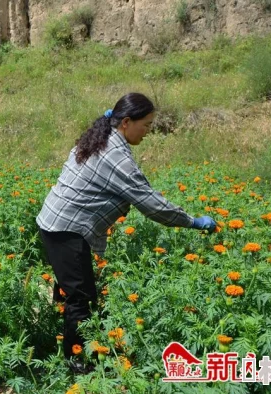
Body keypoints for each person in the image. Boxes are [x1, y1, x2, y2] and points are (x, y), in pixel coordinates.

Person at [36, 93, 216, 373]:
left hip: (56, 222)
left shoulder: (104, 134)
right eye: (146, 125)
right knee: (81, 300)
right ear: (126, 123)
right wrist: (192, 221)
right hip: (66, 230)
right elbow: (150, 202)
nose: (148, 132)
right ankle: (76, 365)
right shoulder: (115, 155)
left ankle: (61, 336)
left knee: (73, 289)